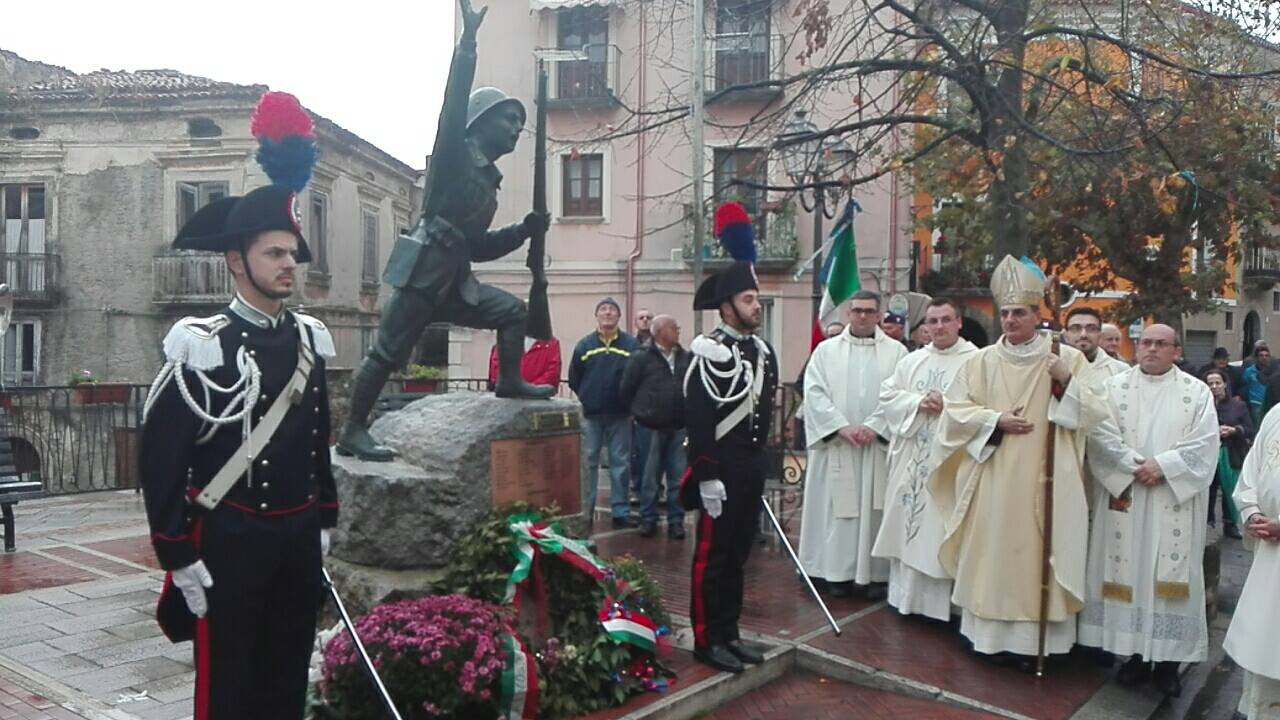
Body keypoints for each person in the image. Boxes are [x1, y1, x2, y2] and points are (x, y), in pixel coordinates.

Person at [139, 91, 338, 719]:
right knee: (227, 688)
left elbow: (317, 437)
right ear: (237, 261)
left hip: (298, 535)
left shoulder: (308, 338)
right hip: (229, 540)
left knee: (286, 677)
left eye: (291, 254)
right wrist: (177, 551)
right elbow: (162, 458)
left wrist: (325, 519)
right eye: (274, 253)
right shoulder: (203, 346)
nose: (288, 264)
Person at [336, 0, 554, 462]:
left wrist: (524, 231)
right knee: (387, 354)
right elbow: (452, 105)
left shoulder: (489, 185)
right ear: (480, 123)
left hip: (455, 280)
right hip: (422, 273)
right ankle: (353, 430)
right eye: (508, 119)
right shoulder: (455, 155)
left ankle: (510, 381)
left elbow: (477, 247)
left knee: (513, 312)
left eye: (520, 122)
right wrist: (468, 46)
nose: (517, 129)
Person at [929, 255, 1107, 668]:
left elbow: (1098, 412)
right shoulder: (981, 361)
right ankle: (987, 638)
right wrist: (995, 420)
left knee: (1041, 553)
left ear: (1036, 314)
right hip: (993, 475)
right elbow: (954, 413)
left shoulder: (1066, 357)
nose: (1010, 320)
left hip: (1051, 477)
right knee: (993, 554)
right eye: (1005, 313)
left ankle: (1036, 645)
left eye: (1019, 313)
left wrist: (1064, 379)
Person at [1083, 325, 1219, 698]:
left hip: (1172, 499)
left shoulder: (1197, 392)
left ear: (1176, 351)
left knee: (1169, 582)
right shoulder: (1114, 388)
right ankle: (1136, 659)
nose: (1152, 349)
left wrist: (1164, 466)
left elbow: (1205, 443)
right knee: (1133, 577)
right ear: (1137, 347)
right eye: (1146, 343)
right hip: (1126, 497)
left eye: (1161, 344)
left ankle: (1168, 667)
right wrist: (1131, 464)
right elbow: (1099, 434)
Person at [683, 261, 777, 673]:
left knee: (738, 556)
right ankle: (706, 639)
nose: (756, 307)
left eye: (756, 299)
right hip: (719, 470)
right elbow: (700, 418)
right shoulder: (708, 351)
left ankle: (730, 633)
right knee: (713, 558)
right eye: (748, 299)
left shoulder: (762, 352)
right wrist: (706, 476)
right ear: (726, 307)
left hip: (748, 469)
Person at [871, 298, 977, 620]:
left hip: (952, 462)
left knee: (943, 529)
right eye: (933, 321)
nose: (939, 327)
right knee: (910, 527)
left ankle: (947, 609)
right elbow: (888, 395)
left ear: (959, 322)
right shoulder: (912, 361)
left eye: (946, 320)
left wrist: (948, 406)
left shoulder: (977, 361)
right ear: (925, 326)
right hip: (912, 459)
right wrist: (918, 402)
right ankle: (908, 601)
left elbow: (985, 407)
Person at [799, 291, 908, 599]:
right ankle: (834, 573)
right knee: (836, 512)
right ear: (848, 313)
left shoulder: (897, 353)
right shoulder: (826, 351)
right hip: (838, 445)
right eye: (857, 310)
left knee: (874, 512)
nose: (862, 316)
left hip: (875, 448)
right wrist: (840, 427)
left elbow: (900, 394)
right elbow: (814, 393)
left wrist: (875, 426)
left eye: (869, 311)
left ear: (879, 316)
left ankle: (875, 575)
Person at [1223, 407, 1280, 720]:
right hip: (1271, 553)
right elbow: (1251, 469)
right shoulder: (1277, 414)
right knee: (1266, 642)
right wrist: (1251, 512)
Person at [569, 297, 638, 529]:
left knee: (621, 464)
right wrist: (588, 397)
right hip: (591, 415)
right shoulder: (584, 345)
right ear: (596, 316)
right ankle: (586, 511)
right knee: (588, 463)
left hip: (621, 413)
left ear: (619, 316)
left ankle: (620, 512)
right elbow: (574, 378)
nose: (608, 313)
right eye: (603, 310)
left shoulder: (631, 344)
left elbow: (638, 376)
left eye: (612, 310)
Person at [620, 314, 690, 539]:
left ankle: (676, 521)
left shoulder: (684, 357)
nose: (678, 330)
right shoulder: (641, 357)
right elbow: (626, 388)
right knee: (649, 477)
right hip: (649, 426)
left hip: (678, 426)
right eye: (674, 327)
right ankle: (648, 518)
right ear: (661, 332)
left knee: (677, 477)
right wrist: (639, 412)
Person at [1205, 368, 1253, 539]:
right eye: (1210, 383)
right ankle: (1207, 521)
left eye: (1217, 382)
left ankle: (1230, 524)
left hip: (1230, 453)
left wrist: (1234, 430)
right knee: (1208, 490)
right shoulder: (1201, 406)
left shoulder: (1238, 406)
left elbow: (1250, 429)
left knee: (1229, 490)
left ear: (1225, 384)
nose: (1214, 386)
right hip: (1208, 454)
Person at [1064, 307, 1128, 379]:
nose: (1083, 335)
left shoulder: (1120, 371)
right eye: (1075, 328)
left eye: (1091, 329)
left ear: (1100, 335)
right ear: (1065, 335)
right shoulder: (1053, 367)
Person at [485, 336, 561, 390]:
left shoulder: (551, 343)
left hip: (539, 400)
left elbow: (553, 373)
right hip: (509, 399)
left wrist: (531, 389)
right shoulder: (506, 340)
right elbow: (496, 370)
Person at [1242, 342, 1272, 423]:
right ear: (1256, 358)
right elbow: (1245, 386)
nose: (1264, 358)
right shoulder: (1249, 371)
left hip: (1270, 404)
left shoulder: (1274, 371)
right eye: (1261, 355)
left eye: (1266, 355)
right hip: (1255, 404)